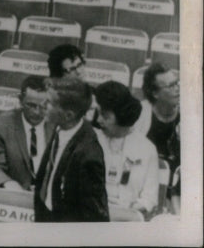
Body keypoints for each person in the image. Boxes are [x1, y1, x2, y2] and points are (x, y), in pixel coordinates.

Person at [33, 76, 109, 222]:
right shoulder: (61, 126)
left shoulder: (88, 155)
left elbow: (93, 216)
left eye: (48, 103)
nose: (42, 104)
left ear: (68, 115)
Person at [92, 81, 159, 217]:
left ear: (122, 116)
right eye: (98, 113)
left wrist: (127, 212)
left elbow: (149, 198)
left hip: (127, 218)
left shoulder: (146, 149)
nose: (99, 120)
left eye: (105, 115)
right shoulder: (91, 140)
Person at [0, 75, 51, 192]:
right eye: (31, 105)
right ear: (20, 100)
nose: (37, 112)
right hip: (14, 196)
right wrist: (9, 184)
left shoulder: (60, 125)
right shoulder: (0, 125)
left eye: (44, 106)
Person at [133, 64, 179, 196]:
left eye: (177, 83)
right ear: (155, 93)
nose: (178, 89)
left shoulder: (189, 114)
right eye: (171, 86)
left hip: (177, 188)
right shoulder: (140, 113)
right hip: (145, 183)